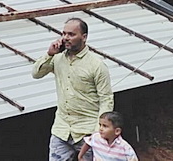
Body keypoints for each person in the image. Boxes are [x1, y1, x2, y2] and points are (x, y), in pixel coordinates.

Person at [32, 17, 113, 161]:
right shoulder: (57, 58)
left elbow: (106, 100)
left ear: (84, 37)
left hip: (88, 132)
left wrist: (99, 132)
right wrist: (50, 54)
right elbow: (36, 74)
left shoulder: (97, 65)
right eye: (64, 34)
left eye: (71, 34)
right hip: (61, 129)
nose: (66, 38)